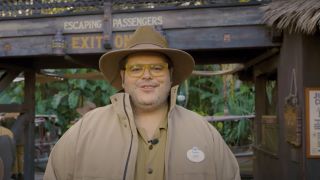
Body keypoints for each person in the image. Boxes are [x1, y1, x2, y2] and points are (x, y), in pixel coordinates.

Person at [44, 26, 240, 180]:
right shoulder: (84, 131)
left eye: (156, 68)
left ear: (170, 76)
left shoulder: (204, 133)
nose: (146, 76)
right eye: (136, 69)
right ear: (123, 77)